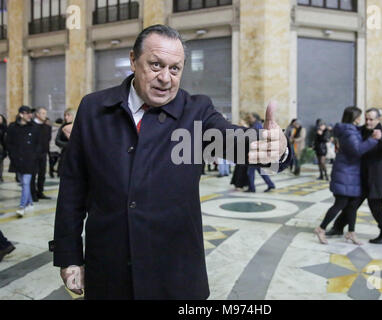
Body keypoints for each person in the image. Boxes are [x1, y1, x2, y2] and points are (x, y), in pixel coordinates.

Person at [49, 24, 291, 300]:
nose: (166, 78)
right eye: (155, 65)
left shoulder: (195, 113)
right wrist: (69, 256)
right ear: (132, 60)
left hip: (174, 274)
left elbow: (232, 139)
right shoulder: (94, 109)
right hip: (109, 270)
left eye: (175, 69)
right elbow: (73, 187)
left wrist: (274, 148)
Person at [327, 108, 382, 244]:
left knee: (376, 209)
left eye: (371, 119)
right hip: (361, 176)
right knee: (351, 205)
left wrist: (381, 138)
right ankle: (338, 227)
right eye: (366, 119)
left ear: (378, 120)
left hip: (376, 177)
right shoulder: (362, 129)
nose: (368, 122)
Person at [314, 107, 380, 245]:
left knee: (352, 205)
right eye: (360, 116)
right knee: (340, 204)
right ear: (355, 117)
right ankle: (321, 228)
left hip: (350, 172)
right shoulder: (349, 132)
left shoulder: (350, 130)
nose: (361, 119)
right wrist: (373, 140)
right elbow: (357, 150)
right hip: (345, 173)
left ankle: (351, 232)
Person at [5, 106, 40, 217]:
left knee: (25, 183)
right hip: (17, 160)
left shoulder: (34, 127)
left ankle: (22, 206)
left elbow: (38, 144)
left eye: (30, 113)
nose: (30, 115)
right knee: (23, 183)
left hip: (29, 160)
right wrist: (12, 155)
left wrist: (34, 156)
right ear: (21, 114)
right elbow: (8, 143)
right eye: (27, 113)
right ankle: (29, 202)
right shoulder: (12, 127)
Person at [246, 113, 277, 193]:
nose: (248, 119)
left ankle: (252, 188)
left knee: (250, 172)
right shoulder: (256, 125)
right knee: (260, 171)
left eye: (250, 117)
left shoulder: (256, 126)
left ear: (255, 118)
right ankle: (270, 185)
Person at [30, 107, 52, 201]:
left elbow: (48, 139)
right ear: (37, 114)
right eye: (43, 113)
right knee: (33, 175)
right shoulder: (30, 126)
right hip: (32, 155)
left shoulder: (47, 127)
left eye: (45, 113)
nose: (45, 115)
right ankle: (33, 193)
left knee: (42, 174)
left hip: (43, 154)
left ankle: (40, 192)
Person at [55, 109, 75, 177]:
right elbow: (57, 141)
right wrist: (69, 145)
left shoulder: (78, 125)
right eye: (65, 115)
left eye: (68, 115)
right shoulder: (63, 127)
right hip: (65, 153)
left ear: (73, 116)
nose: (66, 117)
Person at [0, 115, 7, 183]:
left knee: (0, 163)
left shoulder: (4, 128)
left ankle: (0, 176)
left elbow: (5, 140)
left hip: (1, 148)